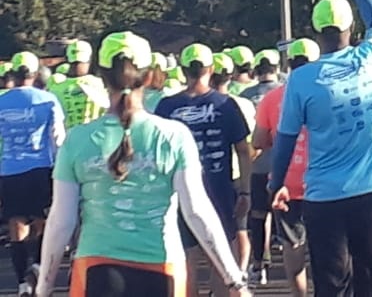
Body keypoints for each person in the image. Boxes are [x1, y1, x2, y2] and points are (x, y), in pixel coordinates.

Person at [35, 32, 250, 297]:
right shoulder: (174, 135)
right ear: (148, 76)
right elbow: (196, 211)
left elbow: (61, 221)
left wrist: (43, 287)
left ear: (102, 76)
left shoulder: (78, 139)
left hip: (96, 267)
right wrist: (234, 281)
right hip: (161, 267)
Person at [269, 0, 372, 297]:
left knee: (331, 283)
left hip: (323, 197)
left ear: (316, 31)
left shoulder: (302, 79)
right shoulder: (371, 58)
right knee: (371, 277)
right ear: (349, 29)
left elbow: (285, 139)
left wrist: (276, 183)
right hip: (371, 193)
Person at [156, 44, 252, 297]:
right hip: (219, 189)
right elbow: (244, 150)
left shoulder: (167, 107)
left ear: (183, 70)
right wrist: (245, 192)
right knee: (219, 258)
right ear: (210, 69)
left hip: (178, 191)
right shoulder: (225, 104)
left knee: (186, 260)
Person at [253, 38, 319, 297]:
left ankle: (299, 294)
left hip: (285, 183)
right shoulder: (327, 93)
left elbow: (258, 140)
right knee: (326, 248)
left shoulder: (272, 98)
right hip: (324, 182)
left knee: (293, 246)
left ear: (289, 64)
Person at [0, 52, 65, 297]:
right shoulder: (48, 100)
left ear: (12, 75)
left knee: (16, 224)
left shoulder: (1, 101)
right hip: (41, 168)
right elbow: (58, 137)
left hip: (9, 169)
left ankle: (21, 283)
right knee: (43, 222)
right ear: (36, 73)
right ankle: (37, 267)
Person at [211, 53, 257, 278]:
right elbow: (252, 143)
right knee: (240, 230)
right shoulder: (243, 104)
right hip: (241, 174)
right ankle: (240, 275)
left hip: (214, 177)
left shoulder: (224, 104)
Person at [239, 49, 282, 285]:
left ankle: (259, 264)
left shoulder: (246, 96)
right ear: (277, 69)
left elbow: (249, 137)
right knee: (288, 216)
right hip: (287, 164)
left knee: (258, 215)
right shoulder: (286, 93)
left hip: (257, 164)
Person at [51, 40, 108, 129]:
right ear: (90, 59)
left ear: (67, 60)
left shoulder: (55, 88)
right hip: (96, 139)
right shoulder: (100, 85)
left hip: (67, 141)